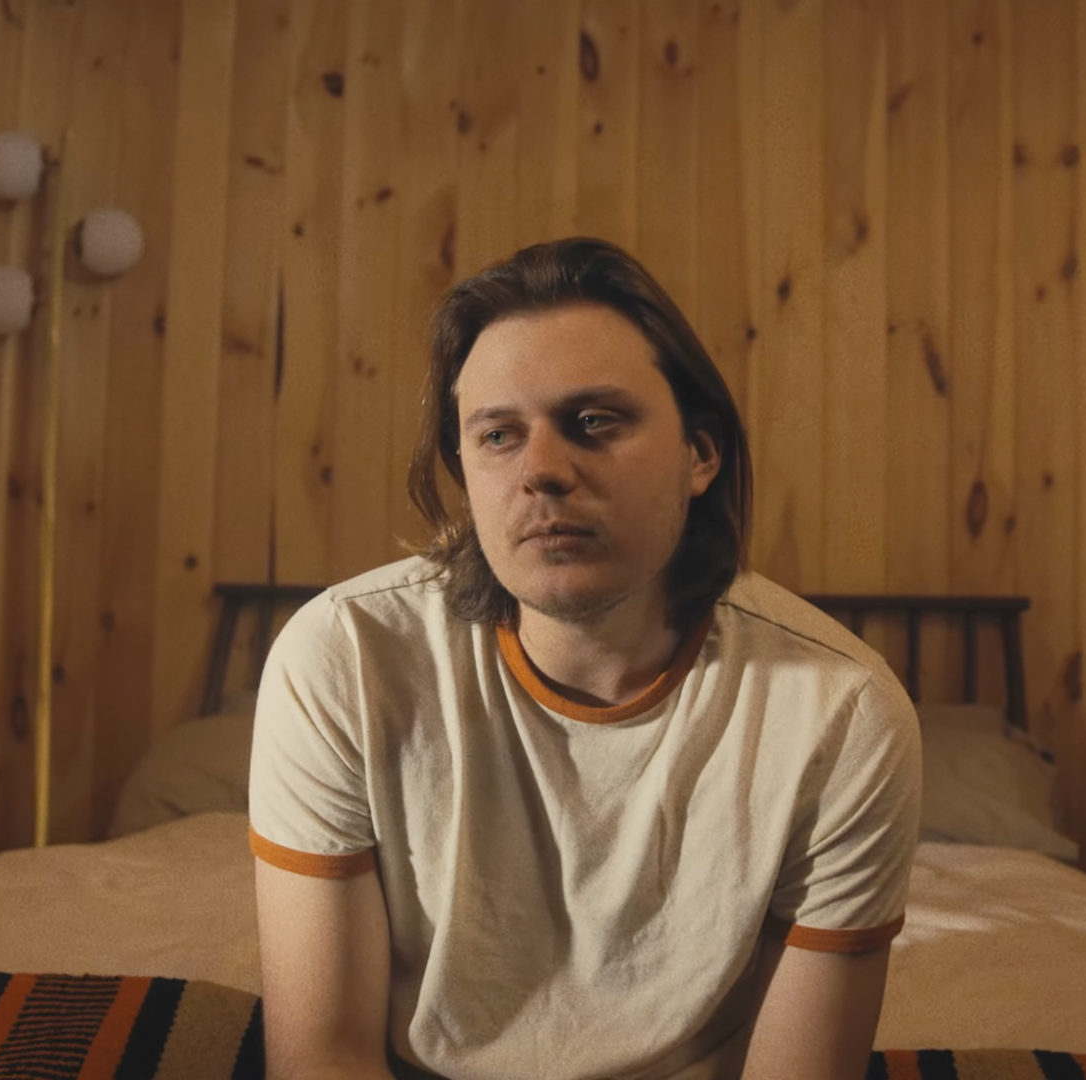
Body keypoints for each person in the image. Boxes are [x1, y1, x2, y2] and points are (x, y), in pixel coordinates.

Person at [248, 237, 921, 1080]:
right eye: (498, 435)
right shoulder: (344, 657)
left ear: (700, 455)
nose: (543, 471)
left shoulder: (839, 712)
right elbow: (325, 1058)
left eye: (595, 422)